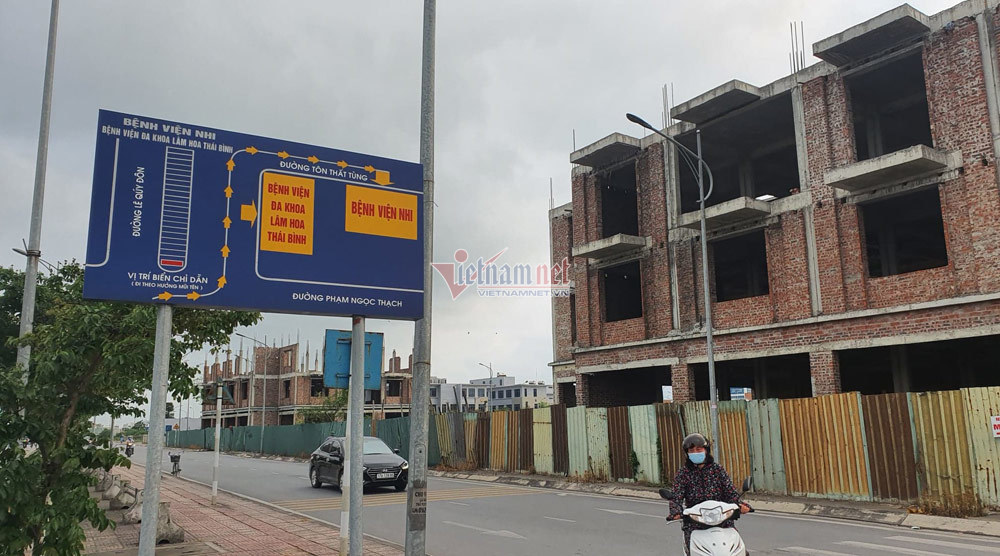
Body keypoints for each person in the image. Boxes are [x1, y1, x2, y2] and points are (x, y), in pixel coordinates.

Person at [668, 433, 750, 555]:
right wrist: (676, 511)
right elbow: (676, 496)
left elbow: (730, 491)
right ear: (687, 453)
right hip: (695, 522)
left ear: (706, 450)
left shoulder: (717, 470)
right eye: (692, 450)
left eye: (699, 449)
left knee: (741, 550)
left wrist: (740, 504)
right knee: (692, 551)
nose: (695, 452)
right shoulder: (683, 473)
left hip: (722, 519)